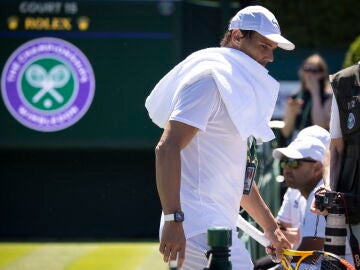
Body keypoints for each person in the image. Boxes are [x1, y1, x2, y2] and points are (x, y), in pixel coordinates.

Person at [145, 5, 294, 269]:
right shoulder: (209, 80)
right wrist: (173, 220)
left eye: (273, 49)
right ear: (237, 35)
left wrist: (271, 228)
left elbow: (238, 180)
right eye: (264, 46)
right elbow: (167, 148)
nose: (270, 56)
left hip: (213, 228)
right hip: (195, 229)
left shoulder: (232, 86)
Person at [254, 125, 329, 270]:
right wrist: (280, 237)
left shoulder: (320, 194)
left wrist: (281, 241)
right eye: (285, 161)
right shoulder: (299, 188)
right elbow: (279, 227)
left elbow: (307, 256)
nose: (286, 168)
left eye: (294, 162)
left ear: (318, 168)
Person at [281, 54, 332, 142]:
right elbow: (286, 132)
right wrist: (291, 112)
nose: (309, 74)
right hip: (298, 144)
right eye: (306, 70)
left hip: (318, 144)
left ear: (322, 73)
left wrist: (315, 93)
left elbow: (321, 127)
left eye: (314, 71)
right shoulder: (295, 96)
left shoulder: (328, 97)